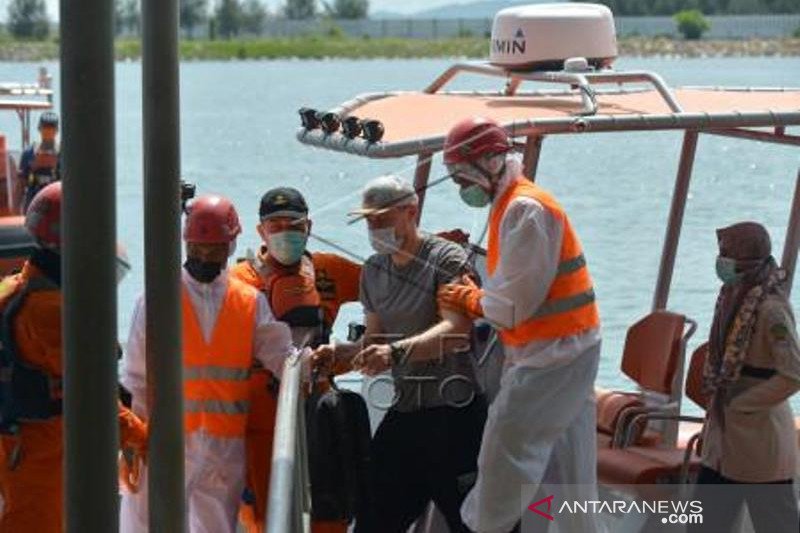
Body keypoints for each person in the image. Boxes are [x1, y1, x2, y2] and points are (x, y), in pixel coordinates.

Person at [436, 117, 601, 533]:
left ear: (489, 164)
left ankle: (483, 528)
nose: (461, 188)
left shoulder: (525, 210)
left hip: (553, 356)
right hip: (564, 349)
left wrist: (467, 298)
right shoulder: (511, 205)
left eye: (462, 177)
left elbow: (510, 309)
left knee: (502, 452)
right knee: (569, 474)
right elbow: (518, 285)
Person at [120, 194, 307, 533]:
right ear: (187, 245)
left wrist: (319, 363)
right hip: (162, 440)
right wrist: (134, 440)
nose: (205, 256)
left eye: (214, 249)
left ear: (230, 246)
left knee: (216, 527)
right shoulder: (157, 298)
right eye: (199, 249)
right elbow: (135, 377)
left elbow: (284, 357)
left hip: (223, 446)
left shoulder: (249, 301)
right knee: (143, 525)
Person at [314, 174, 487, 533]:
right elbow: (373, 341)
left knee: (473, 524)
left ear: (411, 211)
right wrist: (337, 354)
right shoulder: (374, 271)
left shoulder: (446, 258)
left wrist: (393, 354)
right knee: (373, 519)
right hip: (406, 412)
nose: (374, 227)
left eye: (382, 218)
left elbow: (456, 331)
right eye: (368, 221)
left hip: (454, 416)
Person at [0, 182, 147, 532]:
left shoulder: (14, 287)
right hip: (41, 452)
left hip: (20, 442)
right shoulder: (53, 311)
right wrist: (139, 435)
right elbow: (90, 390)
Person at [230, 187, 361, 533]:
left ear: (309, 227)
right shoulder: (238, 282)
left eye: (295, 224)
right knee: (263, 510)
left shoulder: (330, 270)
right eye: (276, 225)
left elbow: (382, 283)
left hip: (318, 405)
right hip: (259, 412)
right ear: (261, 231)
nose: (286, 231)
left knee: (329, 507)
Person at [691, 221, 800, 533]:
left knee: (777, 524)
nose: (721, 260)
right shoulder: (731, 296)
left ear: (748, 256)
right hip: (723, 443)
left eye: (727, 252)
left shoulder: (771, 309)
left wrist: (742, 405)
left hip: (758, 439)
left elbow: (792, 374)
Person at [18, 111, 61, 212]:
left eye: (51, 127)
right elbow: (21, 182)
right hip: (34, 202)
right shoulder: (29, 153)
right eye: (45, 127)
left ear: (57, 130)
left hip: (57, 202)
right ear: (39, 128)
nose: (48, 131)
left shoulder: (64, 153)